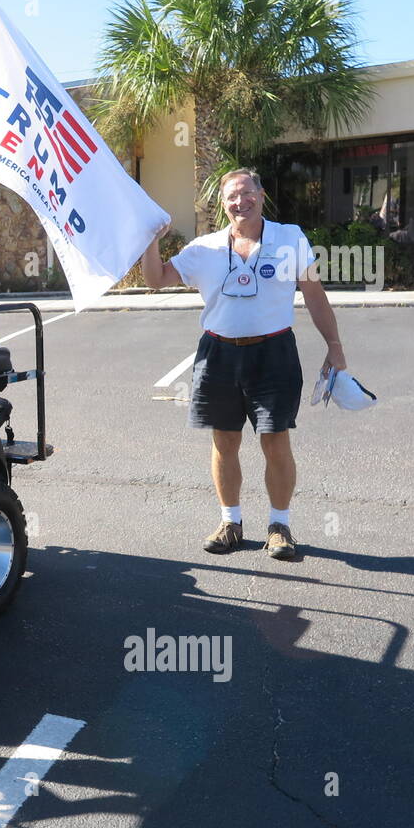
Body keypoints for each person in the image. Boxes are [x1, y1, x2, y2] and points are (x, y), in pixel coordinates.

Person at [140, 168, 347, 559]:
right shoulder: (204, 248)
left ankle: (280, 525)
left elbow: (315, 295)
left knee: (275, 441)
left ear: (261, 195)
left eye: (247, 193)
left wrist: (334, 346)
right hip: (218, 353)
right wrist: (150, 240)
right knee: (225, 441)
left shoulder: (289, 238)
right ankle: (230, 523)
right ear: (223, 204)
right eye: (232, 197)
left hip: (274, 353)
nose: (241, 202)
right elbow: (155, 278)